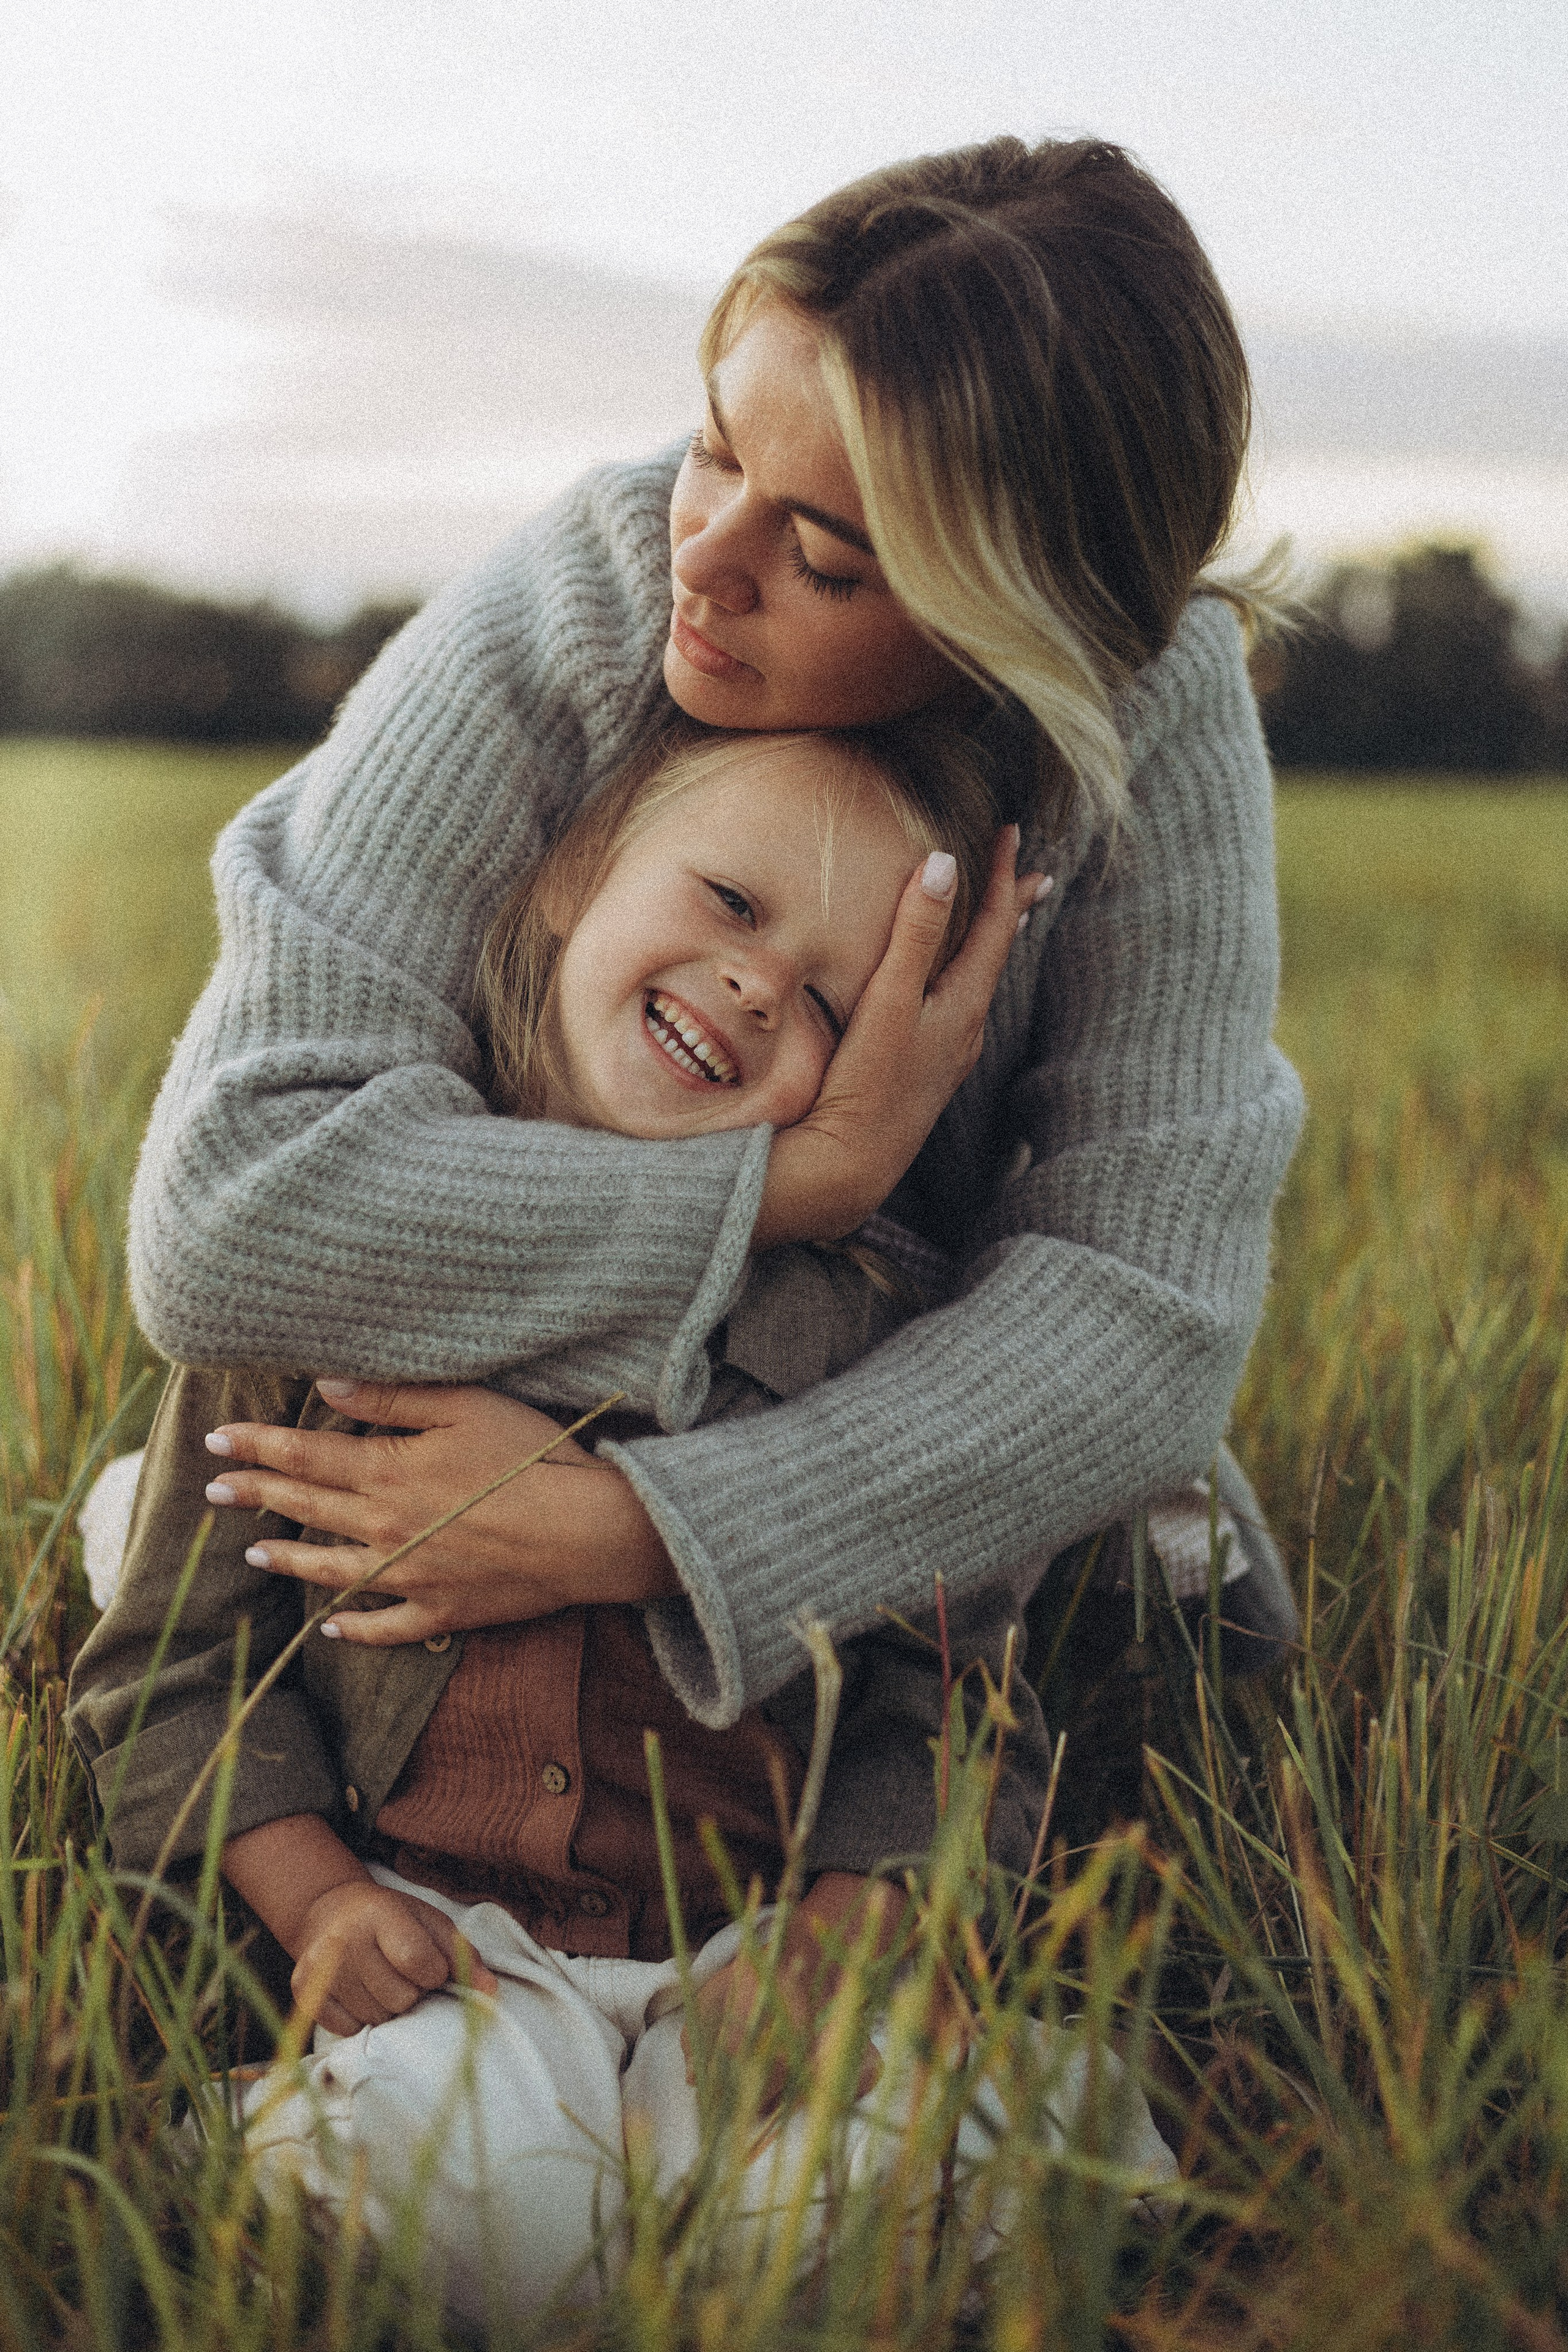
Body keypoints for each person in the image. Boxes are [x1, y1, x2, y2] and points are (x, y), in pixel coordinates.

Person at [72, 714, 1178, 2319]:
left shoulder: (877, 1343)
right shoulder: (323, 1273)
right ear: (572, 876)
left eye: (828, 1004)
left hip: (758, 1961)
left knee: (972, 2149)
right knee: (478, 2184)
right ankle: (466, 2195)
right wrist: (315, 1900)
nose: (753, 987)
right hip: (453, 1963)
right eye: (733, 903)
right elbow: (171, 1664)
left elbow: (947, 1697)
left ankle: (697, 2220)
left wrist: (851, 1930)